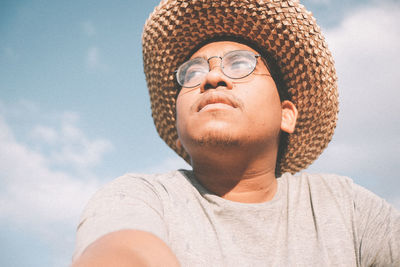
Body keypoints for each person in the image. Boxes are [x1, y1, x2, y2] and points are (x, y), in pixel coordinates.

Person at [71, 0, 400, 266]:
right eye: (192, 71)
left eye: (240, 64)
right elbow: (123, 253)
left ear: (286, 114)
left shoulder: (346, 208)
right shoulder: (142, 196)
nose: (212, 78)